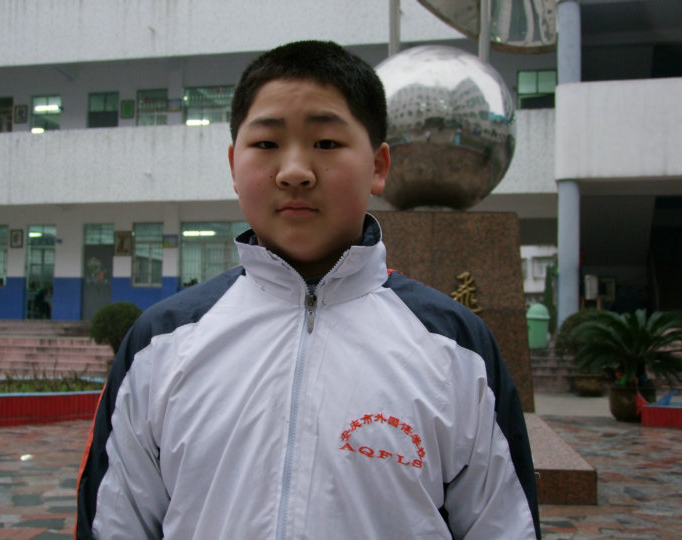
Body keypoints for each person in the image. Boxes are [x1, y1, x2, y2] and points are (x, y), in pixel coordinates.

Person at [76, 40, 540, 539]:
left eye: (326, 143)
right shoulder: (160, 343)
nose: (294, 171)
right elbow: (113, 524)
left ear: (379, 166)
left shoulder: (458, 348)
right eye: (266, 144)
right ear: (234, 165)